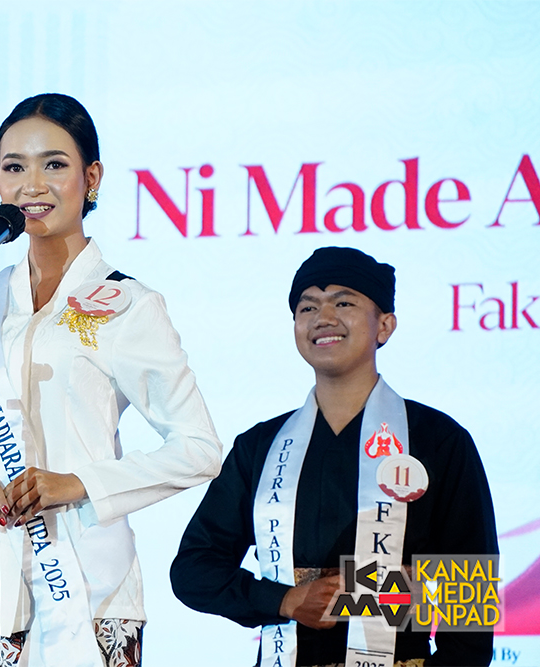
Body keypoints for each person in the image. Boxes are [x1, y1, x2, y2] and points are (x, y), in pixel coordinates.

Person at [0, 93, 223, 667]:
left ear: (91, 178)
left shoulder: (128, 304)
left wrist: (78, 483)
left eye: (55, 164)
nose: (33, 185)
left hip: (89, 590)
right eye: (15, 167)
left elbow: (199, 449)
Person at [170, 247, 498, 667]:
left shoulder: (438, 440)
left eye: (344, 303)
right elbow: (194, 569)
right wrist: (285, 600)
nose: (323, 318)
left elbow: (470, 592)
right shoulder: (260, 446)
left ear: (385, 325)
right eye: (307, 307)